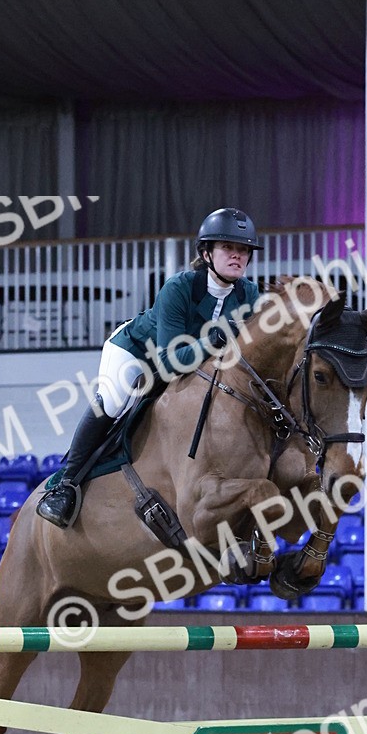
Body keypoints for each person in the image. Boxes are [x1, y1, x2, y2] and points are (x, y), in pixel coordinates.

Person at [36, 206, 263, 528]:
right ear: (207, 253)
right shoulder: (179, 287)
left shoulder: (249, 294)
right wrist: (215, 338)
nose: (238, 256)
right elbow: (170, 362)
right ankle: (65, 485)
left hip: (195, 365)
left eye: (243, 250)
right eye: (228, 248)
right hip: (137, 353)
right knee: (114, 401)